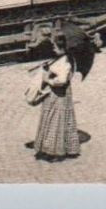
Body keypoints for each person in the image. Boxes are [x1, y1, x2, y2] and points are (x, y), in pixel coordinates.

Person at [32, 32, 81, 161]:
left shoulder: (66, 62)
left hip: (58, 95)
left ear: (62, 48)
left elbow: (62, 81)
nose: (53, 48)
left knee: (56, 121)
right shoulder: (59, 59)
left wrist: (48, 80)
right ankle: (57, 148)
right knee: (54, 120)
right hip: (54, 95)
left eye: (55, 46)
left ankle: (55, 152)